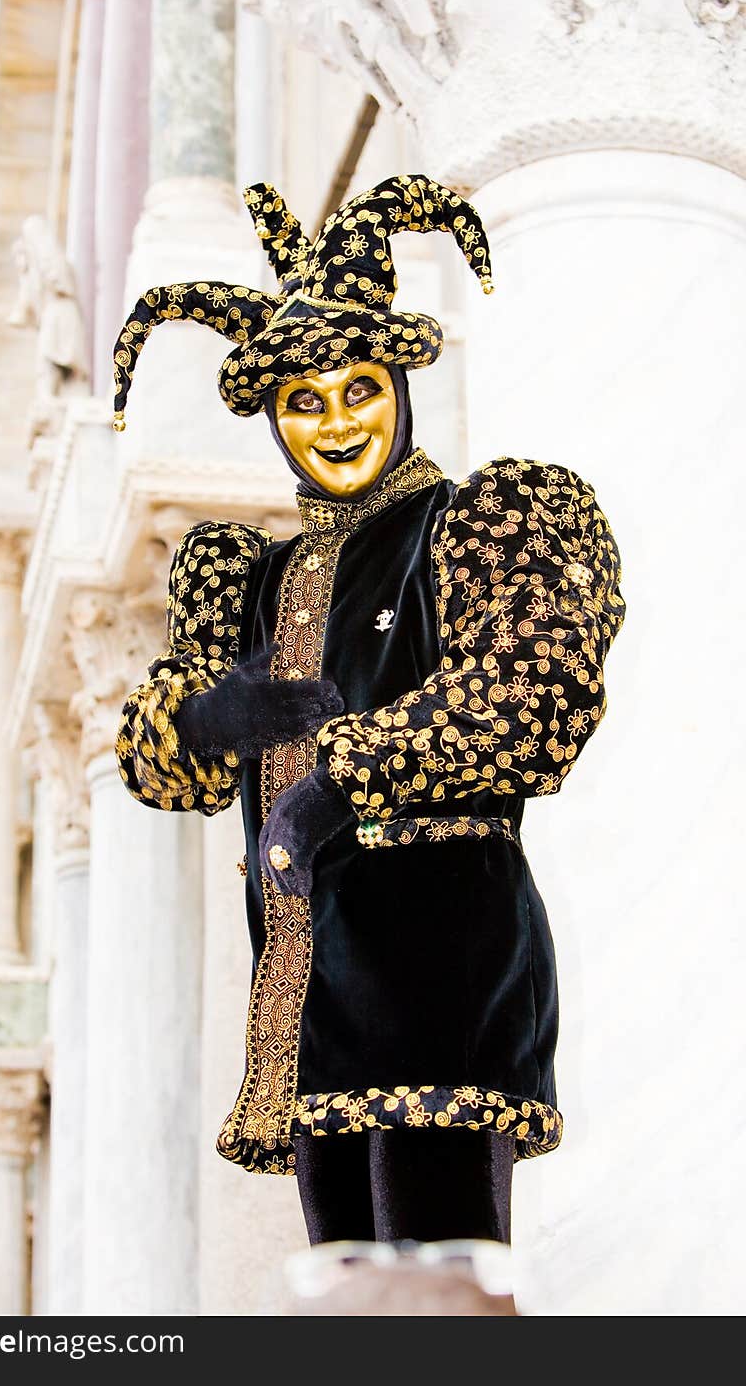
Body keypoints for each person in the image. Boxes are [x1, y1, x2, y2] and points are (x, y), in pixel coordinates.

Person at [112, 174, 626, 1247]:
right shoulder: (248, 577)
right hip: (308, 1002)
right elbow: (168, 769)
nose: (336, 421)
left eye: (358, 390)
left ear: (398, 387)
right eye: (304, 402)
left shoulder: (478, 519)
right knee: (346, 1289)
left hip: (445, 979)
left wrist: (333, 775)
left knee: (438, 1295)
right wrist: (211, 717)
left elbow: (533, 694)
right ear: (273, 421)